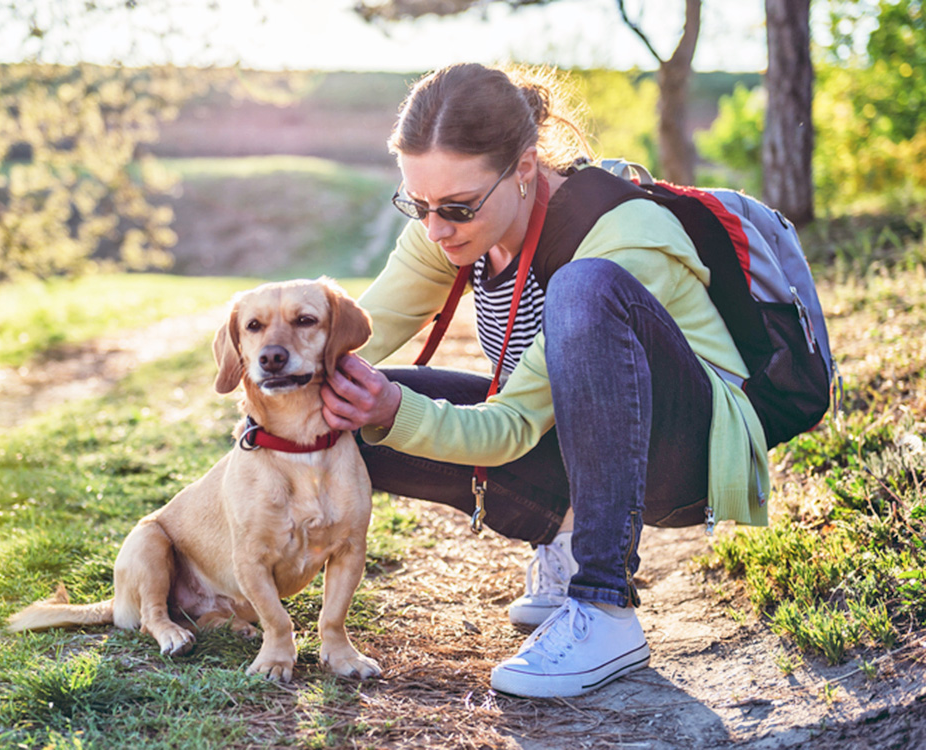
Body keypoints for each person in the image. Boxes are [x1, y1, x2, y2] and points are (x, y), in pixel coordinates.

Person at [320, 62, 770, 699]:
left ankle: (605, 606)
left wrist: (397, 410)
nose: (436, 227)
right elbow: (349, 339)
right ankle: (563, 532)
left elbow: (510, 427)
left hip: (682, 457)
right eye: (417, 205)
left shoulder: (621, 236)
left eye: (456, 207)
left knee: (582, 289)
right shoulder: (448, 230)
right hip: (574, 439)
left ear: (524, 170)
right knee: (335, 404)